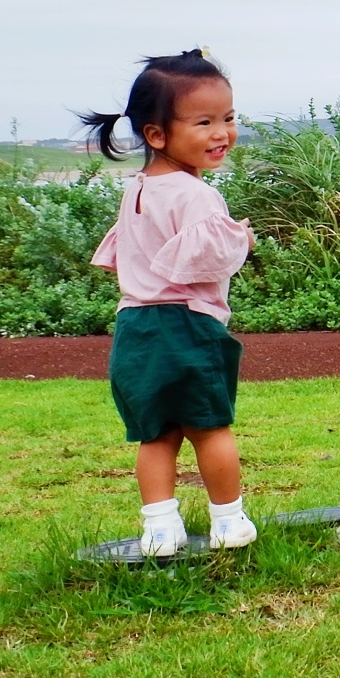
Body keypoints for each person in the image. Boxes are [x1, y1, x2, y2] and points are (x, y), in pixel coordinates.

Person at [79, 50, 258, 556]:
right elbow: (210, 260)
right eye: (204, 121)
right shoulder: (196, 195)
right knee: (209, 427)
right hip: (188, 325)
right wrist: (240, 239)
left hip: (135, 327)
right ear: (157, 134)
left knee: (155, 434)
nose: (222, 132)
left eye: (228, 118)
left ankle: (160, 529)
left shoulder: (138, 190)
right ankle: (228, 521)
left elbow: (136, 254)